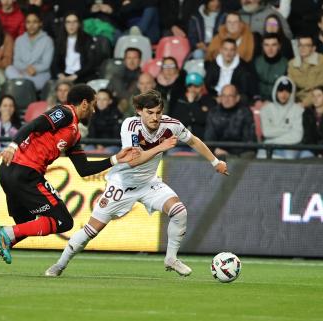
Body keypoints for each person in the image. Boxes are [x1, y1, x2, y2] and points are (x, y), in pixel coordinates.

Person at [44, 89, 229, 278]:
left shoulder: (171, 125)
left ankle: (171, 258)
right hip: (121, 185)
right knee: (91, 230)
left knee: (179, 211)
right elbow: (133, 160)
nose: (155, 117)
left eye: (158, 112)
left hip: (148, 183)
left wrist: (216, 162)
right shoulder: (130, 125)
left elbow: (194, 141)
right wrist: (162, 146)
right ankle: (59, 265)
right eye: (150, 113)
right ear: (139, 111)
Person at [0, 84, 140, 276]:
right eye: (93, 105)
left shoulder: (74, 134)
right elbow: (33, 124)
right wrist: (13, 146)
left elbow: (84, 169)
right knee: (63, 221)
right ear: (84, 103)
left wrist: (115, 159)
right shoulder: (65, 113)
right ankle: (4, 234)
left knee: (24, 225)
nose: (95, 110)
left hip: (10, 173)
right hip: (24, 171)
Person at [5, 7, 53, 91]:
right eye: (28, 22)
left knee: (24, 82)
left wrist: (34, 69)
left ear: (40, 23)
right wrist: (26, 68)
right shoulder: (19, 40)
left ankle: (21, 83)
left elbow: (46, 64)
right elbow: (16, 61)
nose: (31, 25)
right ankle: (23, 83)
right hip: (22, 72)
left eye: (35, 22)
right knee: (9, 69)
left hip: (39, 74)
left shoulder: (47, 40)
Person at [204, 84, 256, 157]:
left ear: (237, 98)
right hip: (218, 152)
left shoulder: (245, 113)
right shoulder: (213, 112)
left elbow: (249, 140)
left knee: (249, 154)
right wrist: (215, 149)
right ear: (220, 98)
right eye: (224, 96)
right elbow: (209, 138)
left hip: (240, 153)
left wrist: (231, 154)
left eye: (230, 96)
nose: (226, 99)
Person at [258, 76, 304, 159]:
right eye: (281, 90)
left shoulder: (298, 110)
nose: (284, 94)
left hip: (290, 147)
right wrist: (288, 129)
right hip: (269, 146)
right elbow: (267, 132)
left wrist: (272, 140)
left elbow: (297, 136)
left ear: (292, 93)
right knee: (261, 156)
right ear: (276, 91)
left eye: (287, 91)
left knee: (289, 157)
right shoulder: (266, 109)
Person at [204, 38, 257, 102]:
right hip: (216, 96)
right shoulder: (213, 65)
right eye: (225, 49)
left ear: (235, 52)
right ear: (221, 50)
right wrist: (216, 98)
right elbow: (208, 84)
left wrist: (230, 98)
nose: (228, 53)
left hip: (233, 98)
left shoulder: (243, 67)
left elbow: (244, 89)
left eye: (231, 50)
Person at [52, 12, 97, 84]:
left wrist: (76, 75)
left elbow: (91, 63)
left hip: (82, 76)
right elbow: (55, 62)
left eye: (74, 22)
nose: (71, 25)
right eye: (68, 22)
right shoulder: (59, 40)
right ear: (64, 25)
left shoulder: (87, 39)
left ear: (79, 24)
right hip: (64, 76)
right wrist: (60, 75)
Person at [169, 72, 215, 142]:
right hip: (181, 142)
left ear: (202, 86)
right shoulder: (181, 101)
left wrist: (192, 103)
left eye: (196, 86)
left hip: (200, 142)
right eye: (190, 86)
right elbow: (176, 124)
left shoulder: (209, 101)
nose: (193, 89)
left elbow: (203, 120)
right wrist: (195, 116)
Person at [287, 35, 323, 107]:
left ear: (313, 48)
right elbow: (290, 88)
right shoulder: (292, 63)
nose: (302, 48)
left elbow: (321, 87)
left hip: (317, 101)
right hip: (297, 102)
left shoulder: (322, 61)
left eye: (307, 45)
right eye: (300, 45)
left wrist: (303, 104)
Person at [87, 88, 123, 153]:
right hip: (94, 144)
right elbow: (91, 134)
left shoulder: (117, 115)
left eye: (104, 99)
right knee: (86, 150)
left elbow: (117, 136)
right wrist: (98, 145)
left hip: (113, 145)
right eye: (98, 99)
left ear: (110, 101)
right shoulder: (92, 114)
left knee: (106, 152)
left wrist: (102, 146)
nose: (101, 102)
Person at [253, 33, 287, 101]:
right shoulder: (256, 62)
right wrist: (257, 100)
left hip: (278, 101)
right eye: (266, 45)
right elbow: (252, 86)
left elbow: (286, 90)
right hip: (258, 101)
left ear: (279, 46)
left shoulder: (286, 64)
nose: (270, 49)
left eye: (274, 45)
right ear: (262, 46)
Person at [106, 47, 142, 114]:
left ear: (140, 60)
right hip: (114, 111)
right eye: (129, 58)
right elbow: (107, 94)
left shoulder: (144, 78)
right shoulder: (115, 77)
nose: (132, 61)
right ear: (125, 60)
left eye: (135, 58)